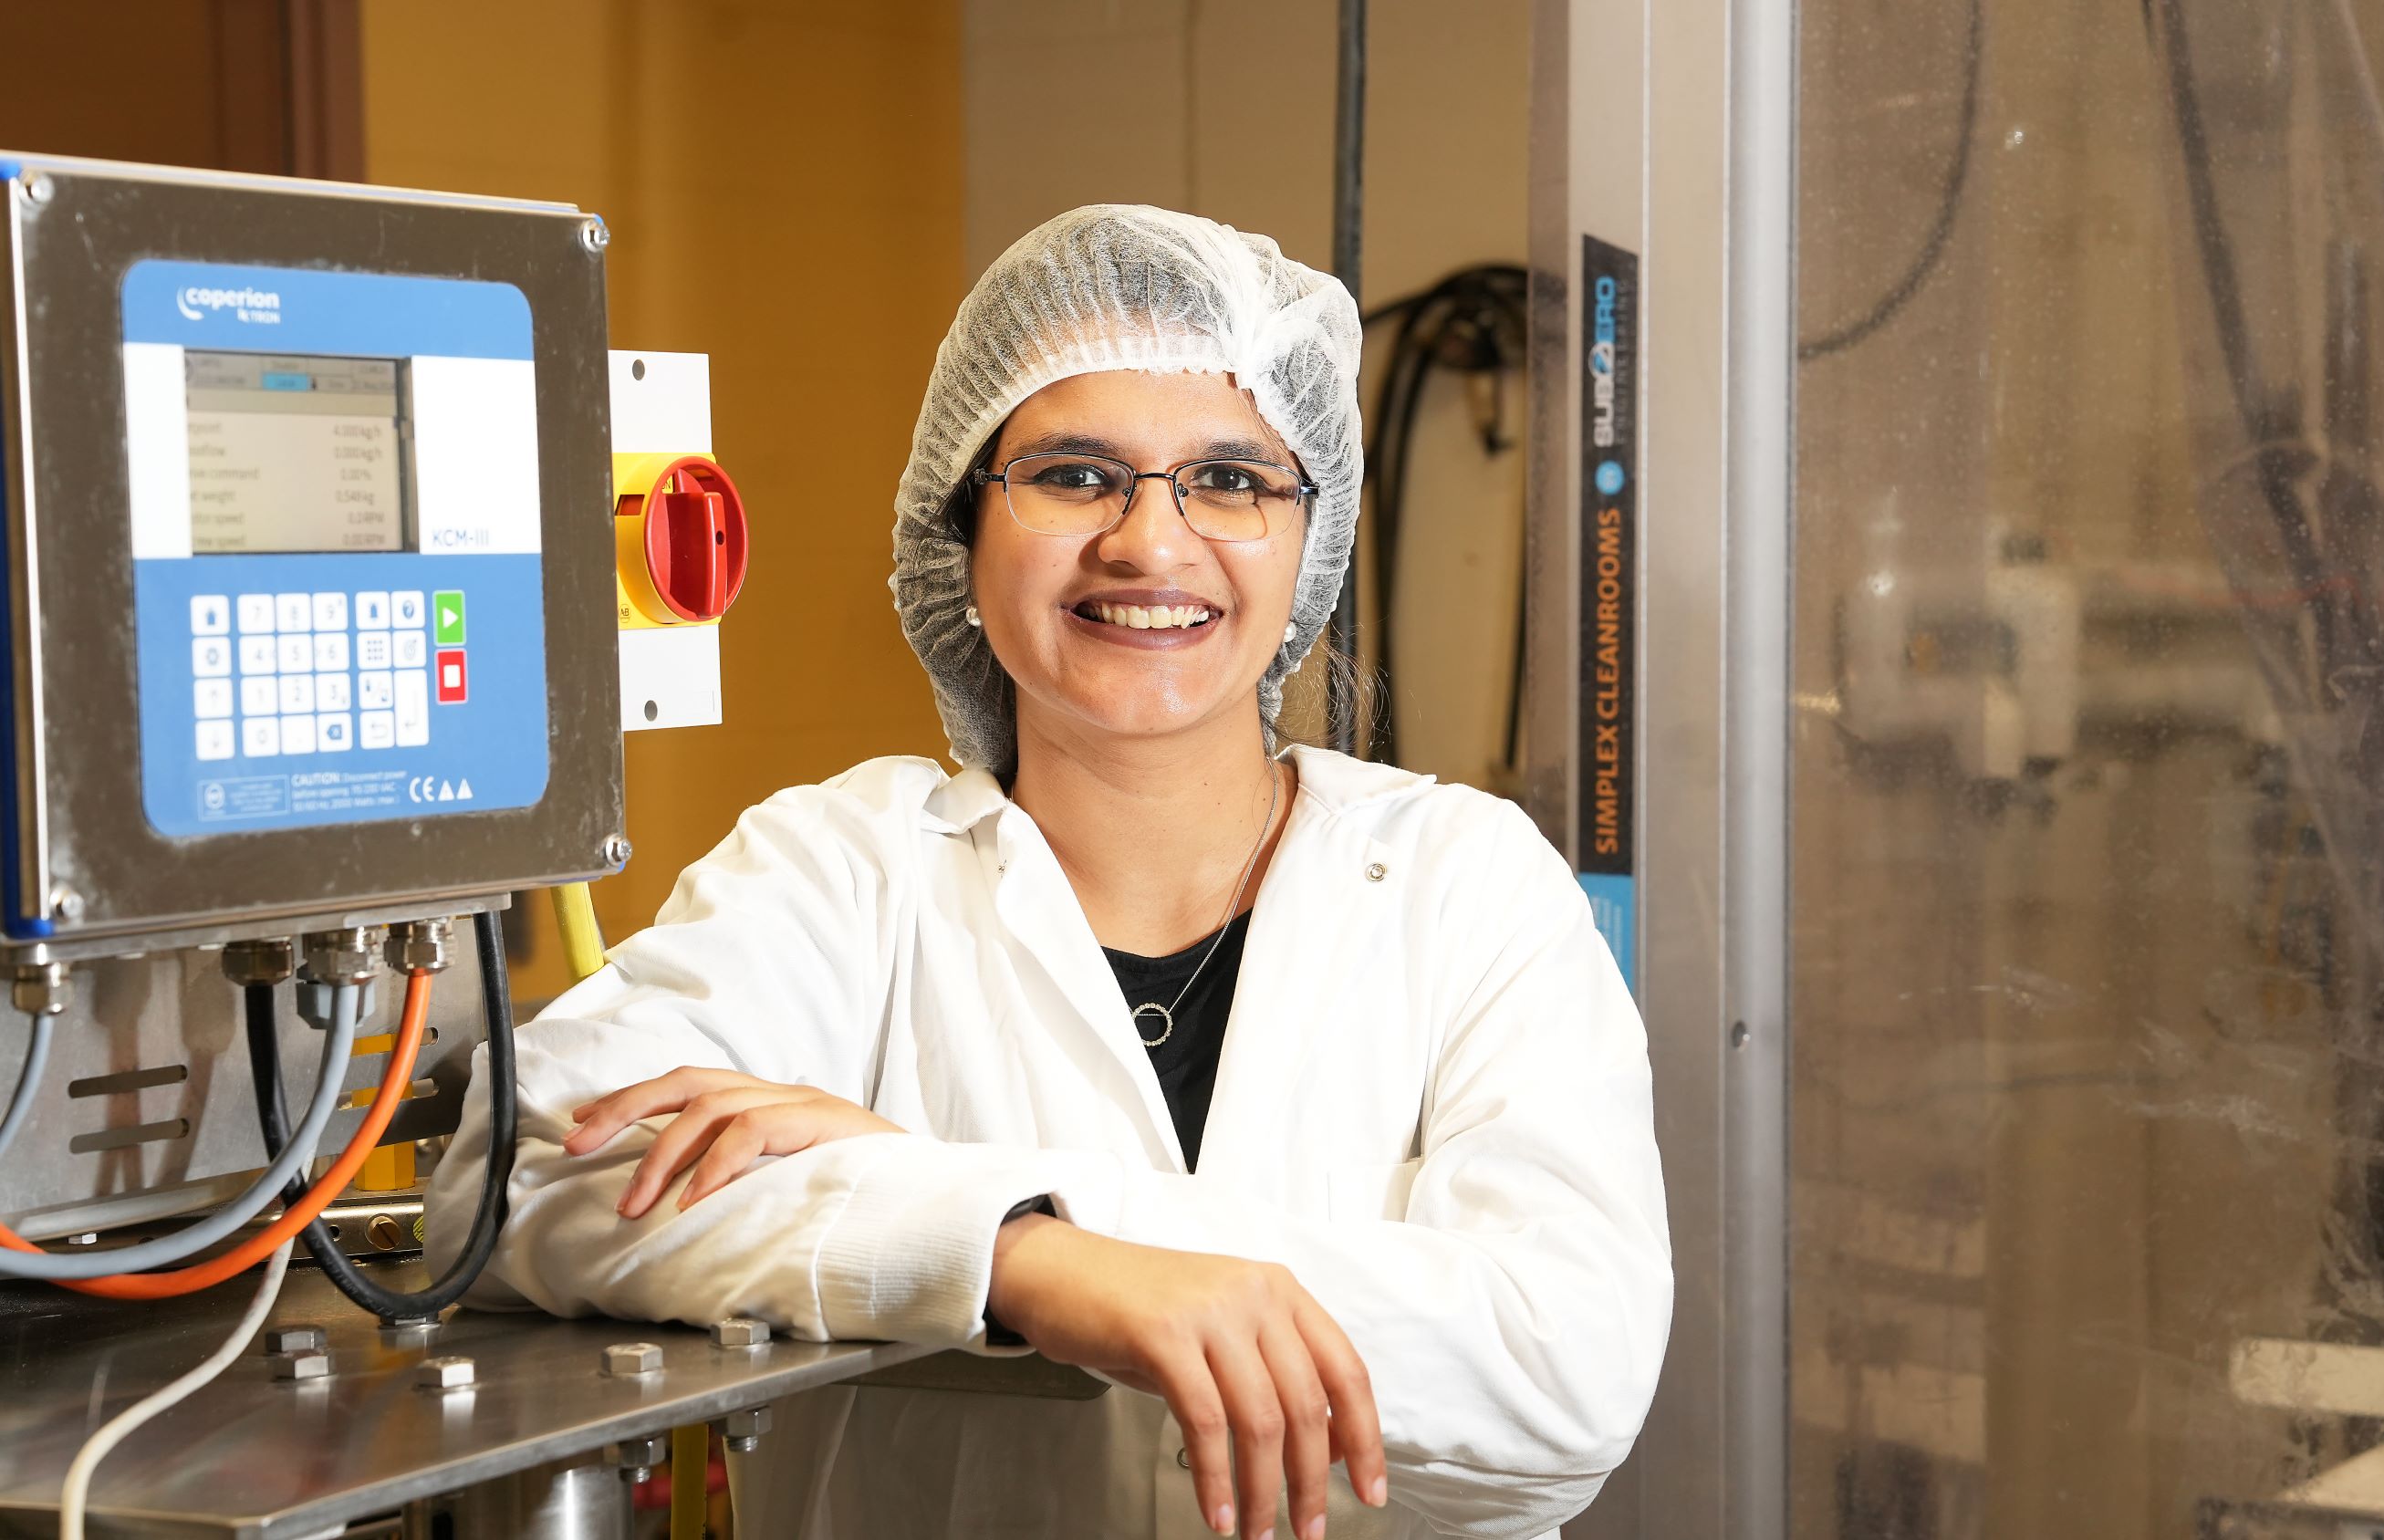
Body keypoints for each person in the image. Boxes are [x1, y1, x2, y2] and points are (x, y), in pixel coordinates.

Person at [427, 205, 1671, 1540]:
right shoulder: (840, 874)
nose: (1149, 543)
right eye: (1075, 474)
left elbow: (1565, 1374)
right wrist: (1021, 1254)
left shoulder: (1469, 886)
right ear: (961, 538)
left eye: (1233, 480)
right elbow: (514, 1182)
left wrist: (1022, 1217)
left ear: (1309, 543)